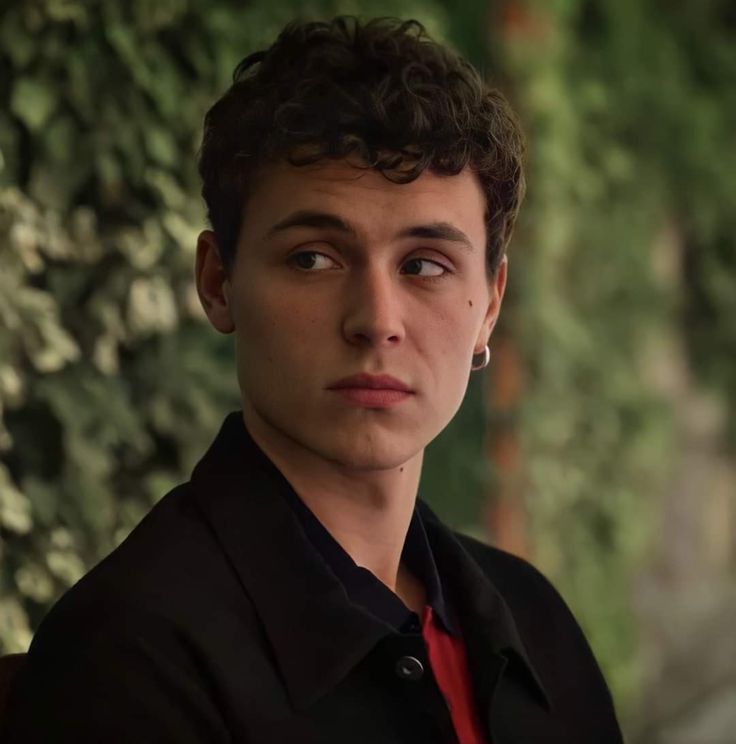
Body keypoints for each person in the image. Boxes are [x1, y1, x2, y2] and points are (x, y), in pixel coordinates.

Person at [2, 16, 623, 743]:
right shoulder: (129, 656)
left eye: (424, 265)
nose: (376, 320)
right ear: (219, 281)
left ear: (489, 305)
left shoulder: (536, 623)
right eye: (314, 258)